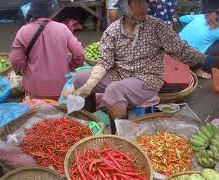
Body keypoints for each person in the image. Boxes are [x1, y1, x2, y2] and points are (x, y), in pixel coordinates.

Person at [71, 0, 219, 129]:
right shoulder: (113, 30)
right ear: (125, 5)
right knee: (79, 78)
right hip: (119, 74)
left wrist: (206, 60)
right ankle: (89, 118)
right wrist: (90, 84)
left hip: (147, 79)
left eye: (145, 2)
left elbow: (180, 49)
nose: (144, 6)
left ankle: (121, 133)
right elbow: (105, 62)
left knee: (114, 91)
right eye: (138, 2)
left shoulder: (157, 27)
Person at [9, 0, 84, 99]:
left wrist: (24, 70)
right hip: (62, 88)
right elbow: (79, 53)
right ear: (51, 11)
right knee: (60, 113)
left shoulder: (23, 31)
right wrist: (71, 66)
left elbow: (16, 60)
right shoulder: (62, 29)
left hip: (34, 88)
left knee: (37, 113)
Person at [179, 2, 219, 78]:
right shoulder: (217, 31)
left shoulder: (200, 17)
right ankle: (197, 69)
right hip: (188, 59)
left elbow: (181, 19)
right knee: (214, 51)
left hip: (172, 50)